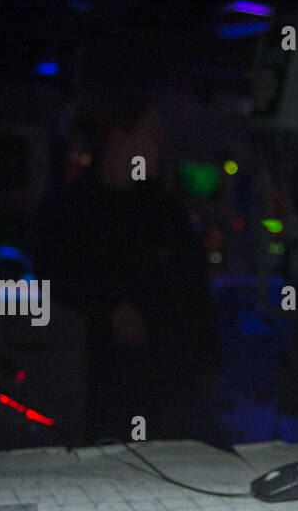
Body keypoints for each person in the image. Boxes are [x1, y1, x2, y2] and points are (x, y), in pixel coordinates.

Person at [35, 89, 221, 443]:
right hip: (98, 392)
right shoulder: (70, 211)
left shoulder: (165, 211)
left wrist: (207, 361)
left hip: (168, 396)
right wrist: (107, 311)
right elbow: (56, 278)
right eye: (150, 136)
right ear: (119, 140)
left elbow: (194, 292)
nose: (160, 146)